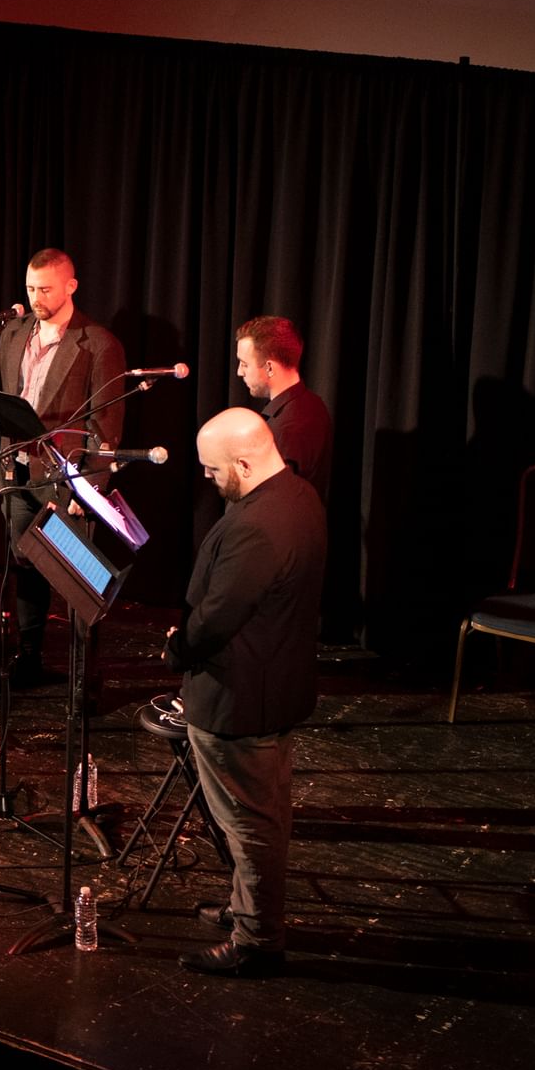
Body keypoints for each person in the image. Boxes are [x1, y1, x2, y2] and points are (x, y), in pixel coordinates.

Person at [166, 408, 325, 975]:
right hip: (276, 684)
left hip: (241, 699)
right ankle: (245, 911)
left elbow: (216, 619)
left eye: (213, 470)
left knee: (248, 823)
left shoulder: (255, 526)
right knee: (262, 814)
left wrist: (177, 647)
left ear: (243, 461)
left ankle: (257, 940)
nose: (207, 478)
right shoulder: (299, 495)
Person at [0, 248, 126, 683]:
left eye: (45, 289)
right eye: (30, 288)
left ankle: (85, 673)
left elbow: (106, 421)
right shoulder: (13, 333)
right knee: (26, 562)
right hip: (17, 474)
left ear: (71, 286)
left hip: (66, 480)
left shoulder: (99, 343)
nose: (36, 297)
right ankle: (29, 656)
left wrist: (92, 487)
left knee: (76, 579)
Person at [233, 314, 332, 503]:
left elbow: (270, 503)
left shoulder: (288, 427)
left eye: (245, 364)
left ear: (269, 368)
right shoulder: (312, 404)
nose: (239, 372)